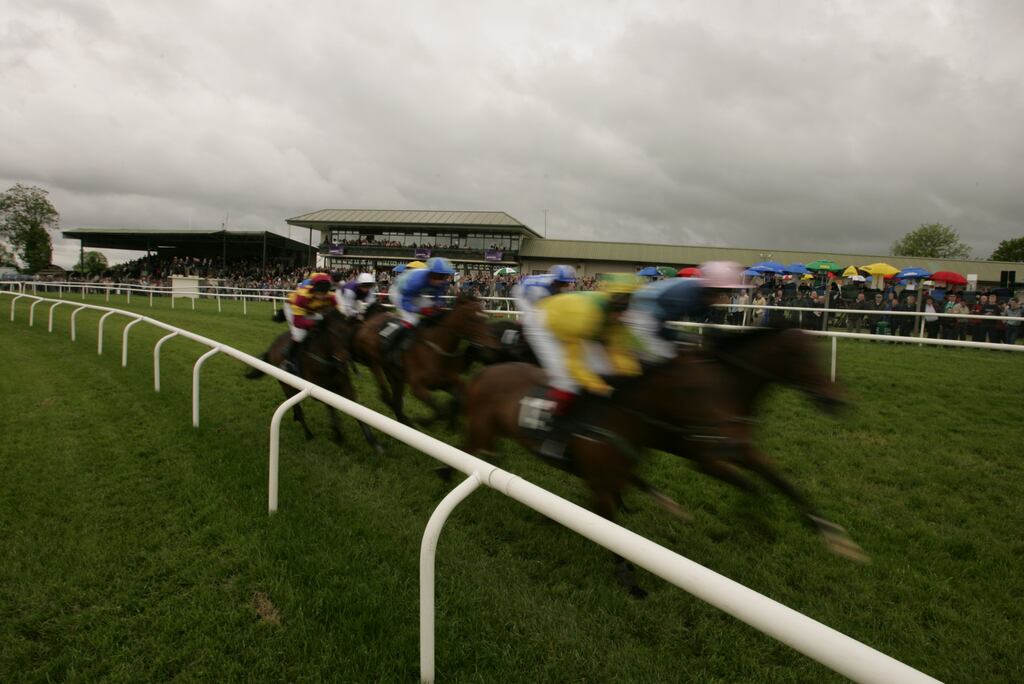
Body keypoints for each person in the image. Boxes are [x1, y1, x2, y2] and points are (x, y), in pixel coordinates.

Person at [530, 273, 644, 458]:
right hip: (544, 322)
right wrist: (599, 386)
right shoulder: (584, 318)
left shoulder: (611, 310)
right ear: (612, 303)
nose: (621, 314)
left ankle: (589, 420)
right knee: (568, 380)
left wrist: (632, 376)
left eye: (626, 307)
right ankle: (551, 436)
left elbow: (617, 349)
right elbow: (574, 364)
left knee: (606, 371)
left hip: (575, 317)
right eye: (619, 309)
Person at [625, 261, 750, 363]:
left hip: (656, 314)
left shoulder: (702, 293)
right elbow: (661, 330)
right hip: (642, 315)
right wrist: (692, 338)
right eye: (723, 292)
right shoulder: (684, 297)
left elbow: (709, 327)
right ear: (711, 289)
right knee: (664, 357)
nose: (725, 296)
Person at [380, 257, 454, 354]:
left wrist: (438, 305)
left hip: (414, 293)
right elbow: (405, 303)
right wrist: (420, 310)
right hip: (399, 293)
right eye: (438, 277)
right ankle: (386, 336)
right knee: (412, 319)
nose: (441, 281)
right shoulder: (416, 281)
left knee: (434, 310)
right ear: (431, 274)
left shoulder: (441, 281)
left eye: (444, 277)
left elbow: (438, 296)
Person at [512, 264, 577, 368]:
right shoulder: (542, 290)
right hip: (521, 293)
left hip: (533, 292)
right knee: (535, 318)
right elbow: (537, 306)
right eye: (565, 283)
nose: (567, 285)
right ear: (557, 281)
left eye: (568, 282)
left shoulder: (555, 285)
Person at [281, 272, 337, 374]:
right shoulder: (302, 297)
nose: (321, 296)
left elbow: (339, 313)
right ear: (314, 289)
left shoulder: (332, 297)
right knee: (300, 334)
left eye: (324, 293)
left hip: (310, 309)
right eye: (319, 293)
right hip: (292, 308)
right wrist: (314, 324)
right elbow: (298, 322)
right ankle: (288, 360)